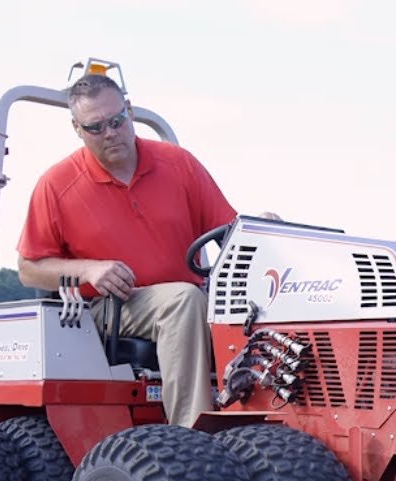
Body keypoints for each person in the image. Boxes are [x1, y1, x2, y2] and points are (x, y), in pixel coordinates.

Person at [17, 73, 236, 427]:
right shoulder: (57, 185)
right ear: (77, 128)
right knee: (183, 301)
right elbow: (29, 268)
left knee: (254, 306)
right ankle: (192, 434)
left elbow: (228, 232)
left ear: (130, 112)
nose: (110, 133)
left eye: (117, 121)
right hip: (108, 306)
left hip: (188, 296)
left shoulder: (178, 164)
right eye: (95, 127)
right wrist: (89, 270)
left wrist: (262, 228)